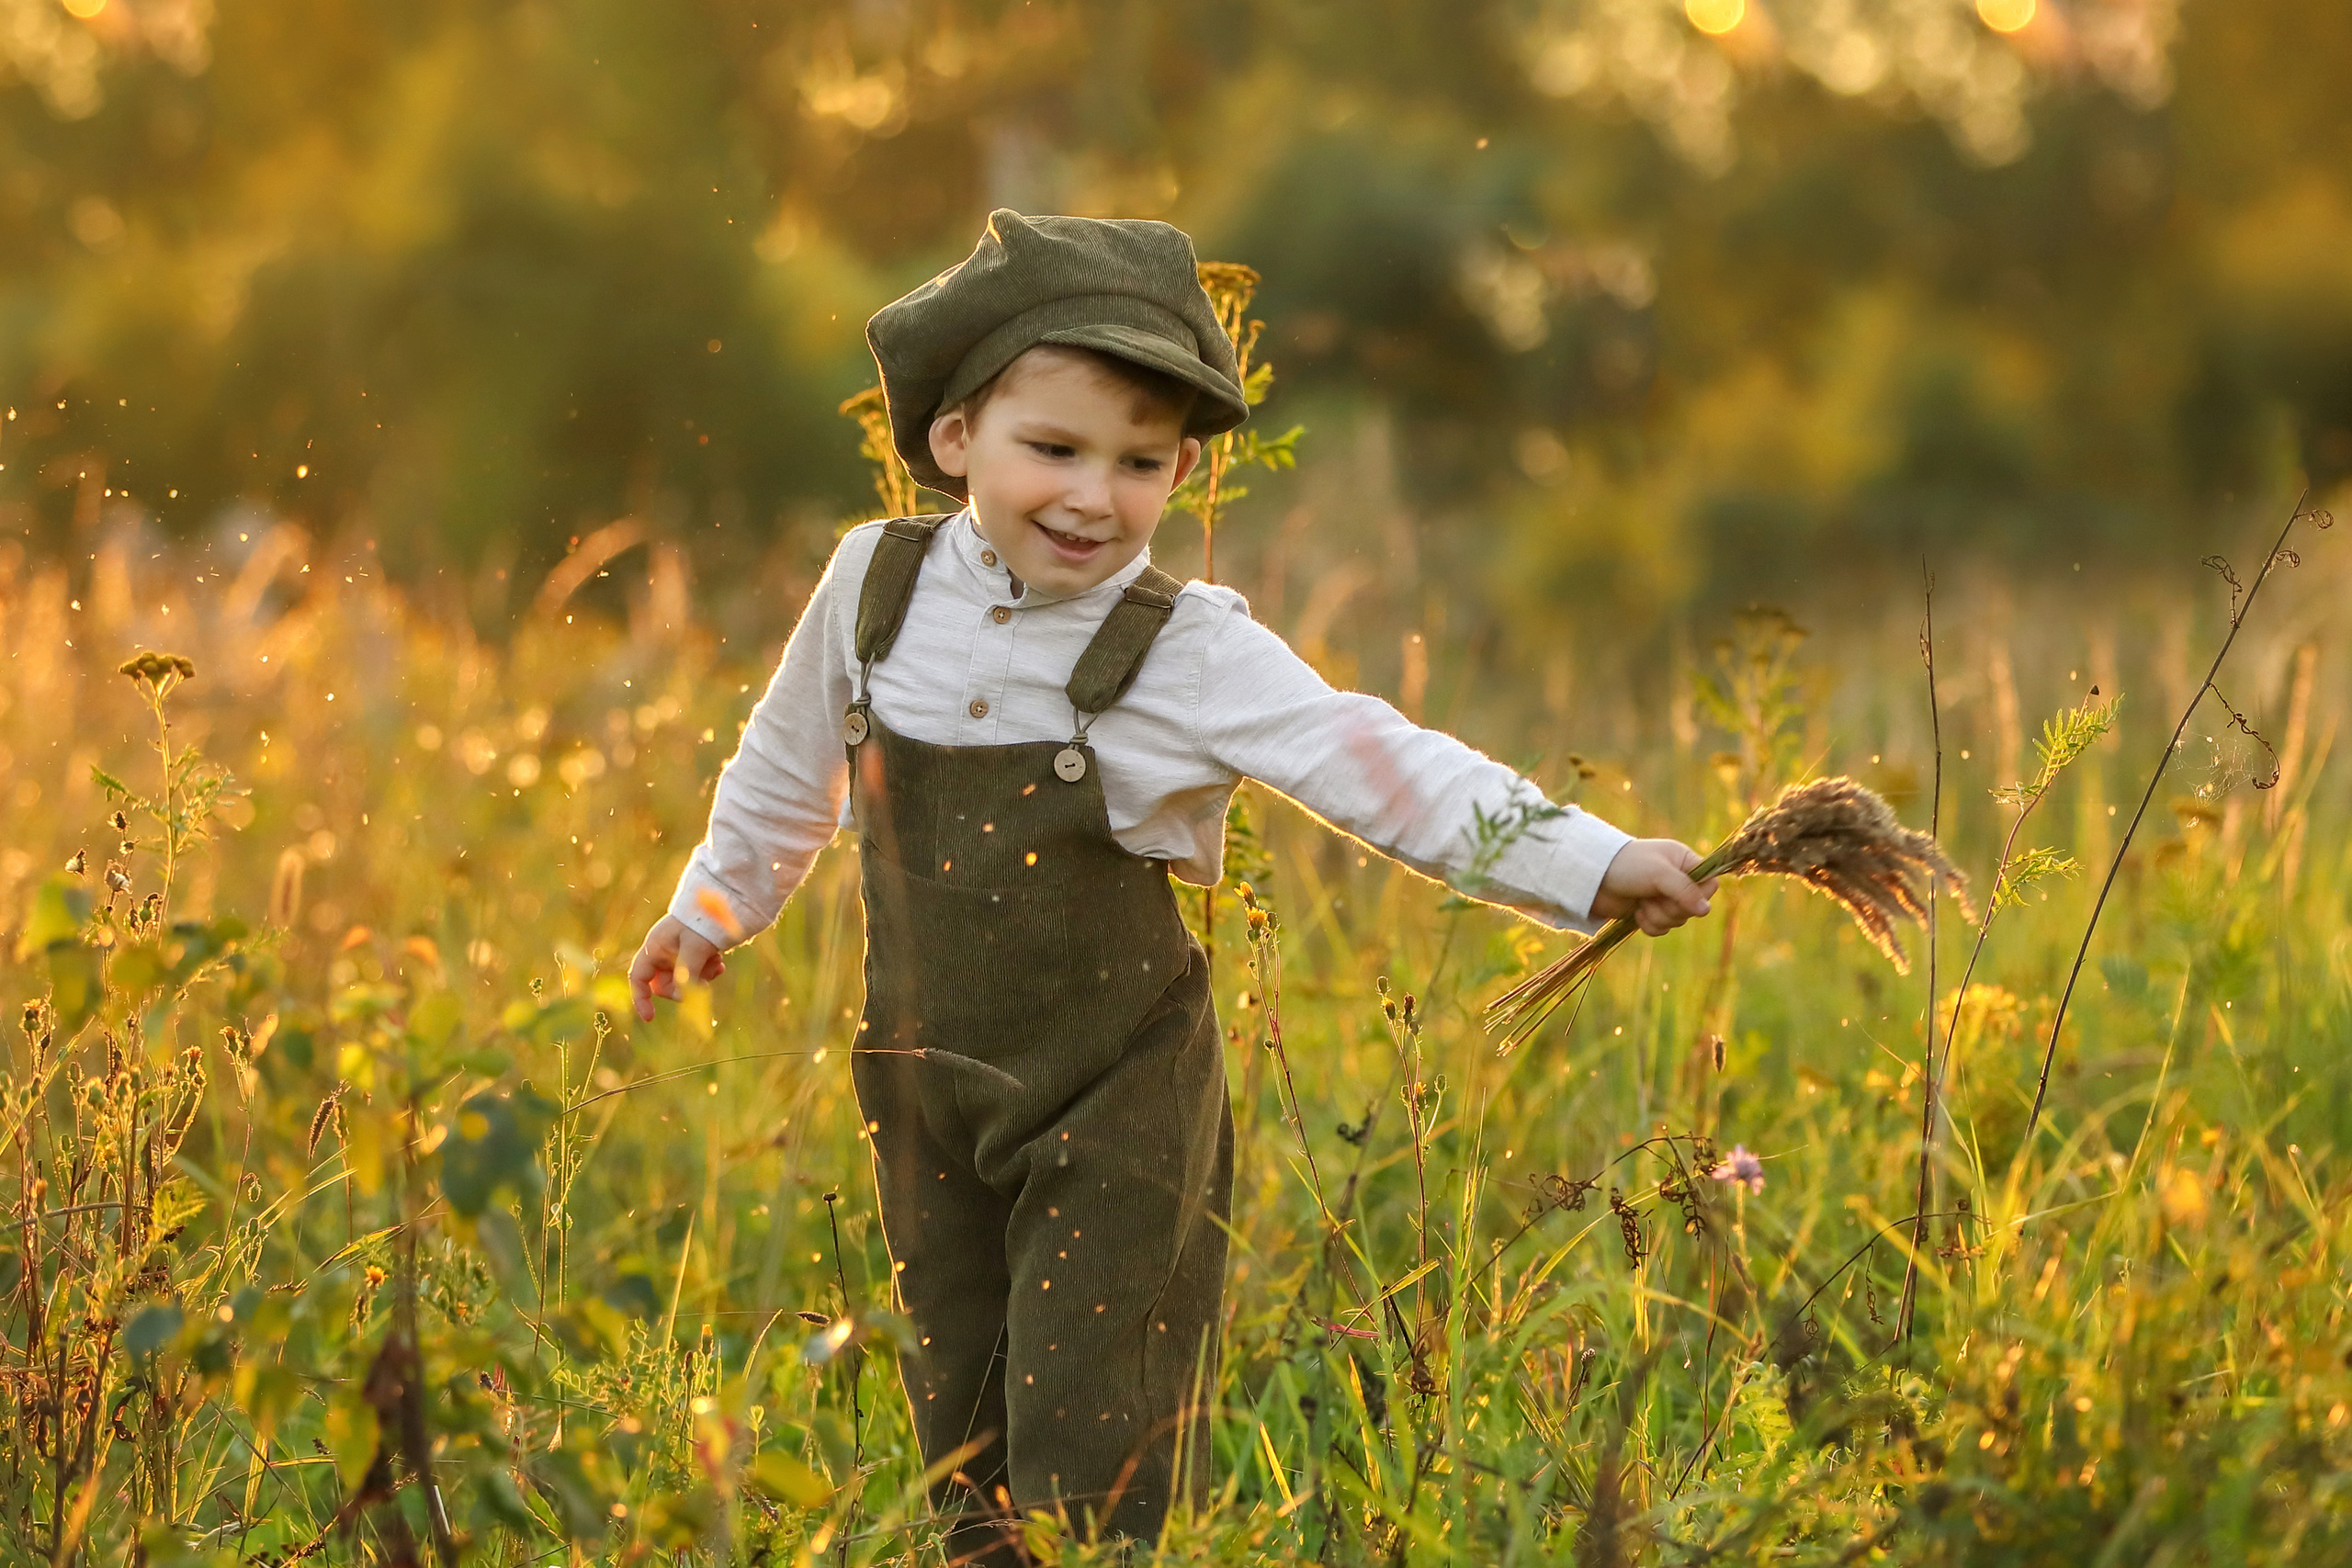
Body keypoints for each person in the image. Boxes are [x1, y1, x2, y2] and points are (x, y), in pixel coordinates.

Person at [627, 209, 1716, 1562]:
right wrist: (714, 908)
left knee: (1095, 1445)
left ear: (1182, 468)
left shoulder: (1185, 649)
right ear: (957, 440)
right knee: (961, 1435)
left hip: (1119, 1103)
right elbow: (789, 770)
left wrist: (1591, 861)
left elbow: (1381, 765)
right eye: (1054, 449)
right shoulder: (874, 586)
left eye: (1141, 463)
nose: (1095, 496)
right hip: (924, 1088)